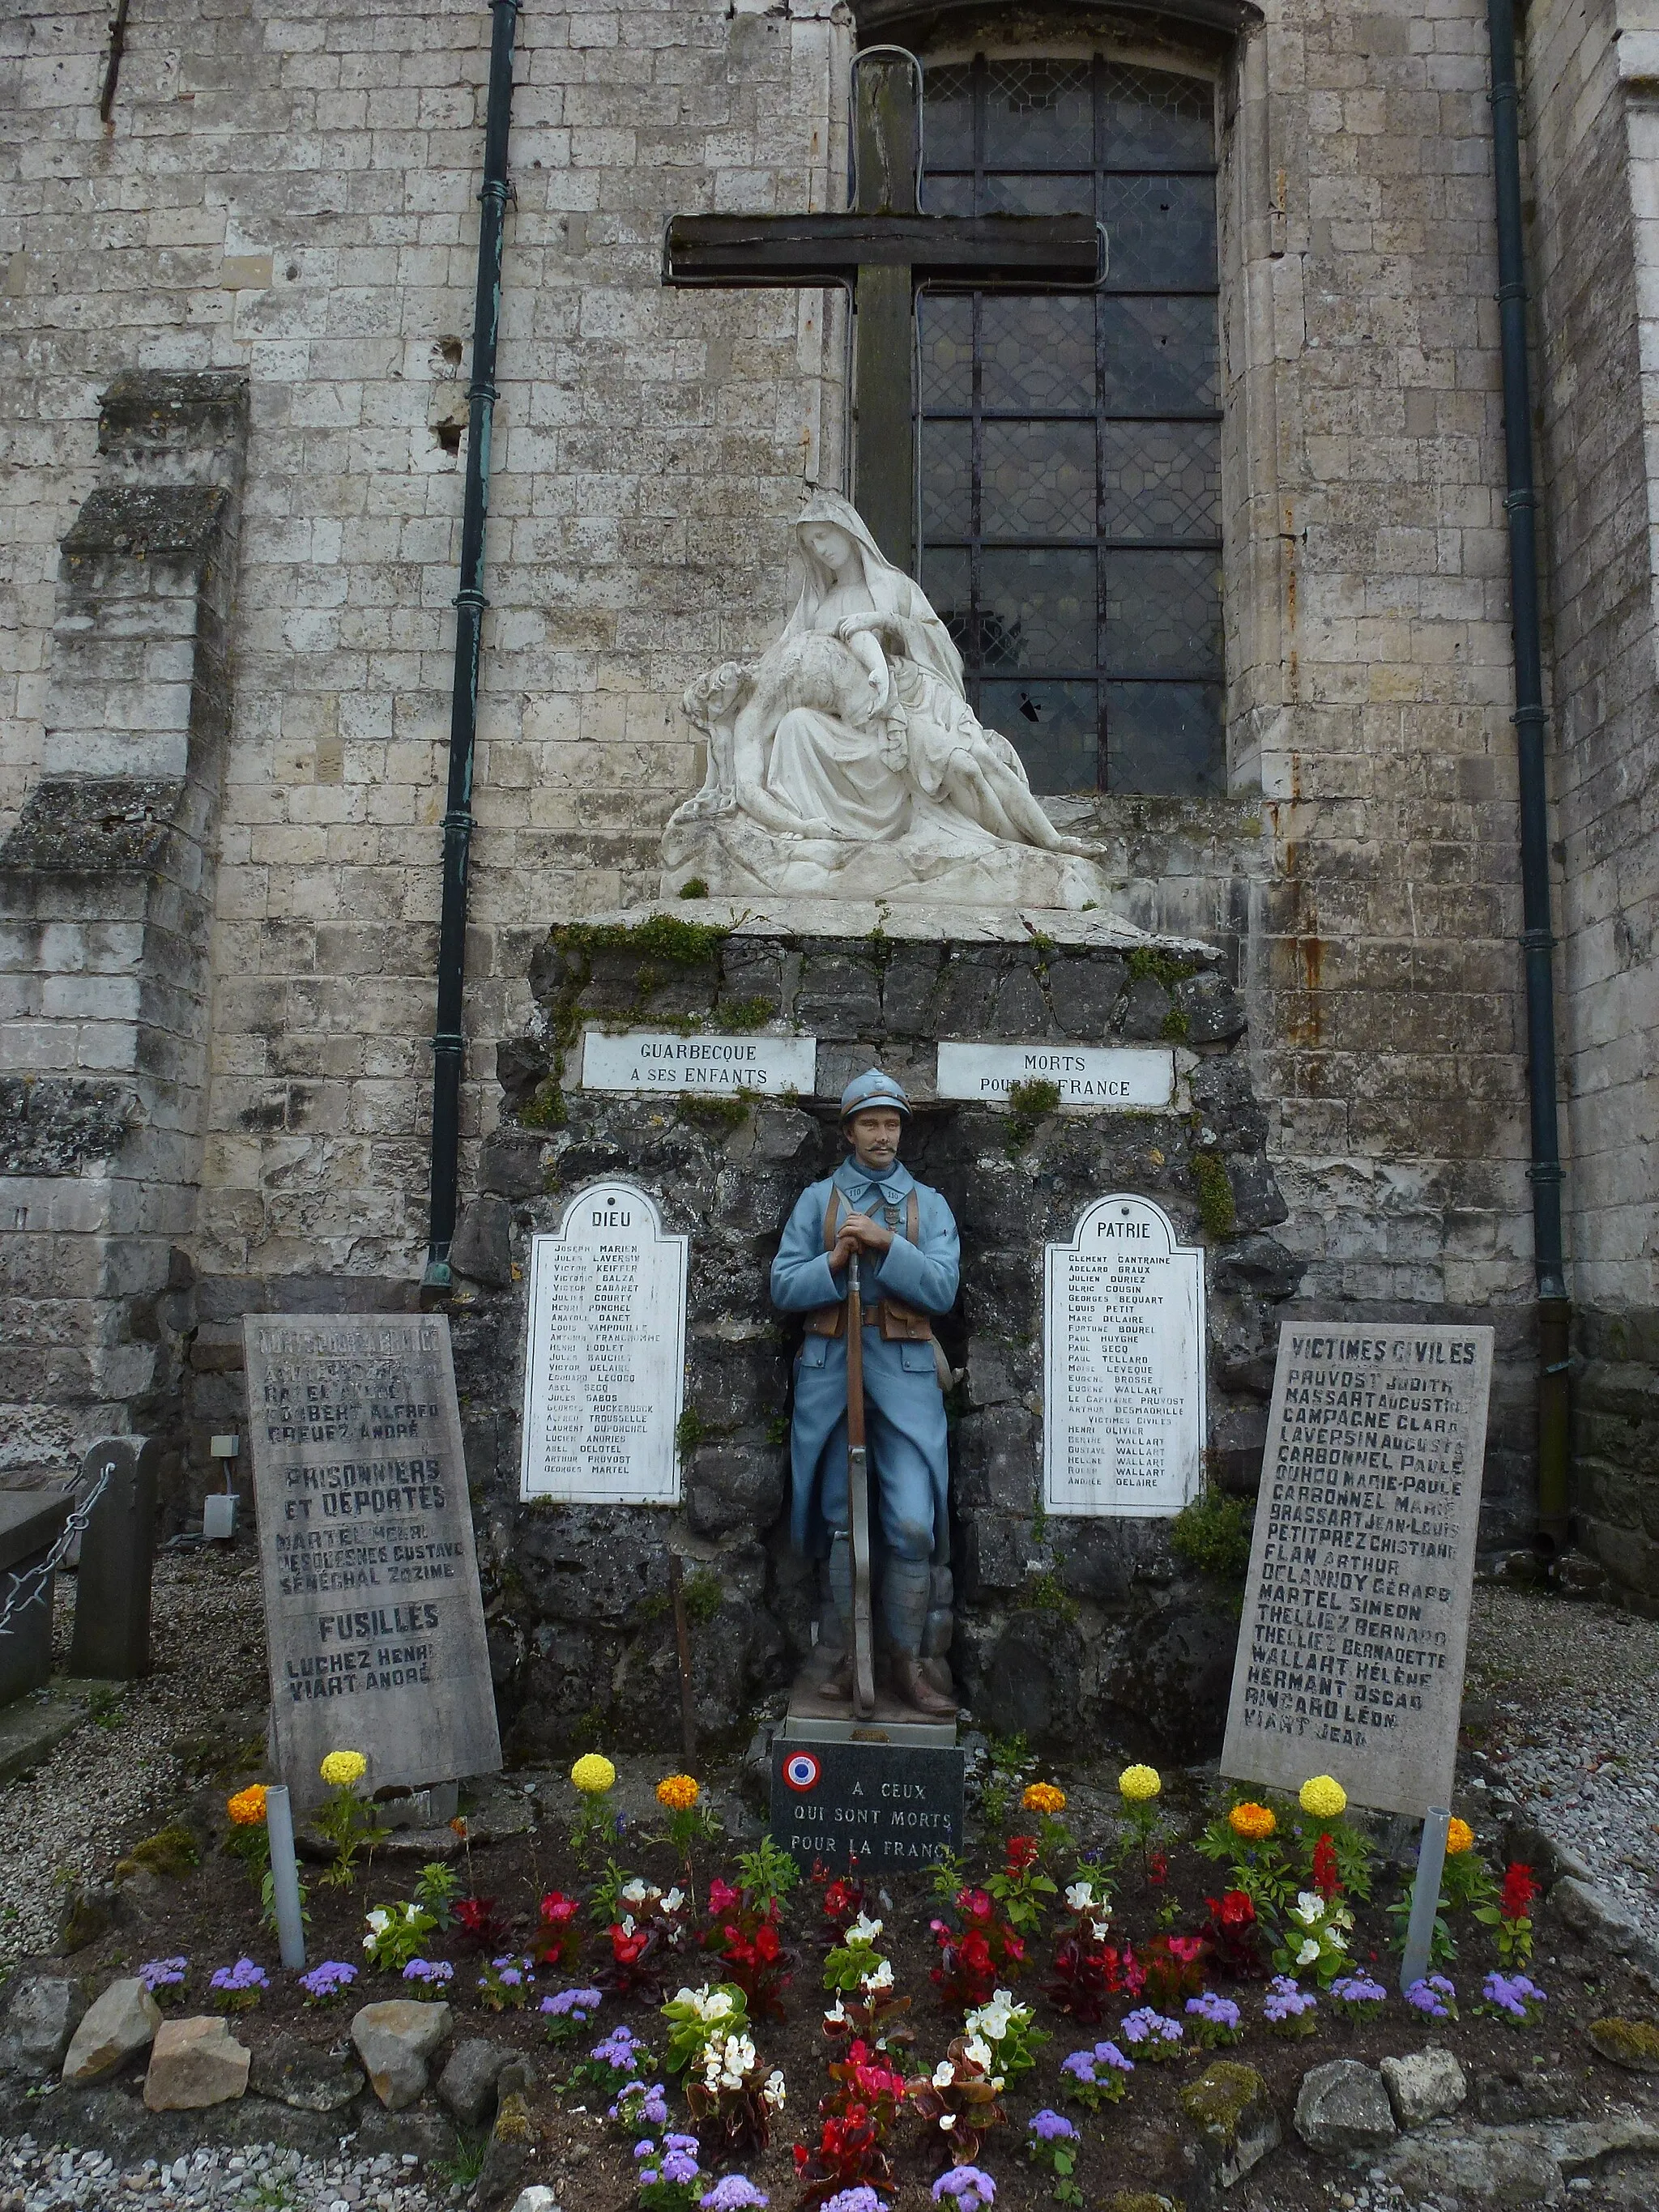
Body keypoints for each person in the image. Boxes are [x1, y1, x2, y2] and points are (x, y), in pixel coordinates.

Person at [770, 1069, 960, 1720]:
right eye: (871, 1123)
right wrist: (833, 1262)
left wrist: (886, 1244)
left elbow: (940, 1290)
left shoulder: (927, 1205)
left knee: (911, 1521)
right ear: (848, 1130)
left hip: (905, 1374)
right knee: (838, 1518)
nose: (884, 1135)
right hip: (832, 1371)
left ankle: (907, 1662)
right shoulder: (817, 1201)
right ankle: (854, 1653)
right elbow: (784, 1287)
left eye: (893, 1123)